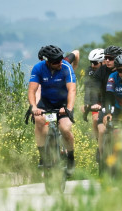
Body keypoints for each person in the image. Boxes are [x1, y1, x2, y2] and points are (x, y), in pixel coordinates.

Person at [28, 45, 77, 175]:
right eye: (56, 61)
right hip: (46, 103)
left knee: (65, 129)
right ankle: (43, 156)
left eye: (61, 59)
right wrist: (34, 107)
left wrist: (69, 108)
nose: (60, 62)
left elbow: (72, 90)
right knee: (39, 121)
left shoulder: (66, 67)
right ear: (48, 62)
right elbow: (32, 90)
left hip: (64, 103)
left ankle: (71, 158)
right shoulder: (38, 68)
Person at [86, 45, 122, 170]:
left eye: (110, 58)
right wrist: (93, 103)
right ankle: (102, 158)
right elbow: (93, 88)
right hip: (104, 102)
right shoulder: (101, 71)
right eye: (105, 58)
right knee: (102, 130)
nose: (106, 61)